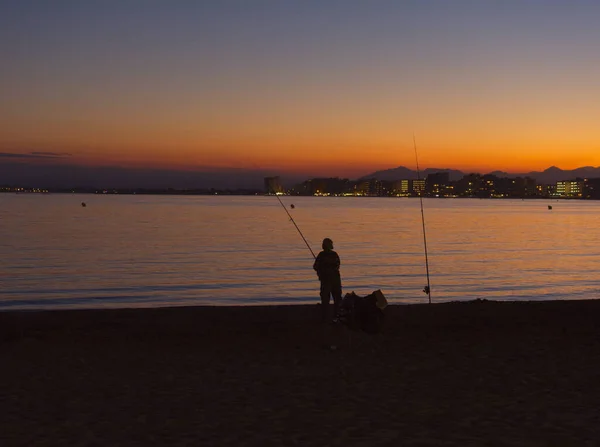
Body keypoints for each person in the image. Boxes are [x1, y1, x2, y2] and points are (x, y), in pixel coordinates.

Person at [313, 238, 342, 323]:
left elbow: (315, 266)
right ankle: (336, 317)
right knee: (337, 299)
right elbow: (337, 265)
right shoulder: (334, 255)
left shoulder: (321, 255)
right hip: (335, 280)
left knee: (325, 300)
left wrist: (322, 271)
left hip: (326, 281)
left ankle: (325, 318)